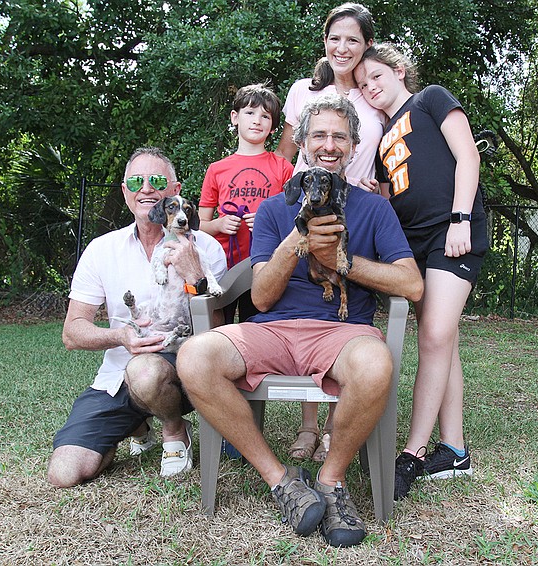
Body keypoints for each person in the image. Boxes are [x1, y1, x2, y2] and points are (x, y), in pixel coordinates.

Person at [177, 93, 423, 547]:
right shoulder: (273, 209)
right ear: (303, 144)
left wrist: (343, 262)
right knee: (194, 357)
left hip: (343, 333)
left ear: (353, 146)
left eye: (339, 137)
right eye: (319, 136)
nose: (329, 145)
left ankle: (330, 482)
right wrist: (298, 238)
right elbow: (263, 299)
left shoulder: (375, 209)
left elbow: (412, 286)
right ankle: (281, 480)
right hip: (272, 330)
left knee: (375, 365)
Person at [354, 43, 489, 500]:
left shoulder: (430, 98)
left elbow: (467, 156)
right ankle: (454, 450)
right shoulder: (382, 137)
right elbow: (402, 193)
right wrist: (381, 192)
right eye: (362, 83)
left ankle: (411, 454)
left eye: (376, 76)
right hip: (415, 245)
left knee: (433, 336)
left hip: (451, 233)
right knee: (442, 339)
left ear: (398, 70)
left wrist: (460, 218)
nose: (370, 87)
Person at [47, 147, 227, 487]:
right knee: (65, 473)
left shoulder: (206, 248)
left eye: (157, 180)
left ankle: (174, 431)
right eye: (136, 181)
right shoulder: (102, 250)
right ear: (125, 191)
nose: (146, 188)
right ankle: (136, 423)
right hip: (118, 377)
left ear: (174, 190)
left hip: (185, 370)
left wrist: (196, 279)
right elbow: (73, 332)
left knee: (145, 371)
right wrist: (120, 337)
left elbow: (221, 332)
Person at [276, 1, 387, 464]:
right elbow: (284, 158)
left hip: (355, 212)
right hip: (309, 211)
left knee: (348, 313)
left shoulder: (372, 95)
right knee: (305, 307)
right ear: (325, 41)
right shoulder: (304, 90)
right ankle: (307, 427)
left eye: (353, 40)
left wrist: (376, 193)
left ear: (366, 47)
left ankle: (340, 427)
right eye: (335, 38)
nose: (342, 47)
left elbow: (384, 161)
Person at [199, 83, 294, 324]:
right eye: (250, 113)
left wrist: (266, 223)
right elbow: (199, 225)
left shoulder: (283, 168)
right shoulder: (216, 169)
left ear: (273, 127)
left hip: (266, 264)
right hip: (224, 265)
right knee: (219, 325)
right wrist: (220, 224)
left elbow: (293, 221)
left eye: (265, 116)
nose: (257, 121)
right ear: (235, 117)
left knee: (260, 325)